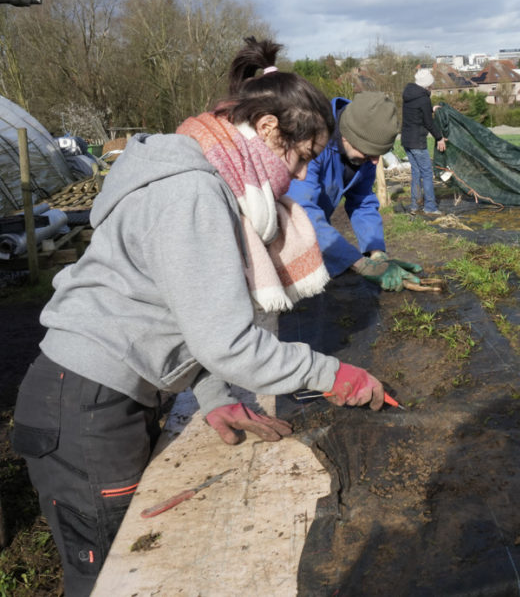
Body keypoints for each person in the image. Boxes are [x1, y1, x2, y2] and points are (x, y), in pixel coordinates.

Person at [10, 37, 387, 596]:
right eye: (303, 157)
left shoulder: (207, 180)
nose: (304, 175)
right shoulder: (191, 193)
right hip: (85, 404)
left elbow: (186, 318)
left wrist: (214, 399)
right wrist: (331, 374)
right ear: (266, 131)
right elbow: (227, 343)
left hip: (104, 395)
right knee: (108, 574)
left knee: (128, 562)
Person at [286, 91, 423, 292]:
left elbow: (362, 201)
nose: (375, 161)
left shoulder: (363, 154)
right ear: (347, 137)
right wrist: (361, 264)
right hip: (279, 233)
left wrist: (376, 253)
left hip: (312, 232)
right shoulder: (311, 140)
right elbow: (301, 212)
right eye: (369, 152)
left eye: (379, 154)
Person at [401, 68, 446, 215]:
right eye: (431, 84)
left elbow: (417, 113)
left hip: (406, 140)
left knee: (416, 172)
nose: (432, 87)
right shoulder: (423, 98)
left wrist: (430, 109)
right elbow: (428, 123)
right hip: (417, 142)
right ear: (427, 85)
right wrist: (439, 138)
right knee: (427, 173)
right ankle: (430, 207)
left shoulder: (409, 95)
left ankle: (415, 205)